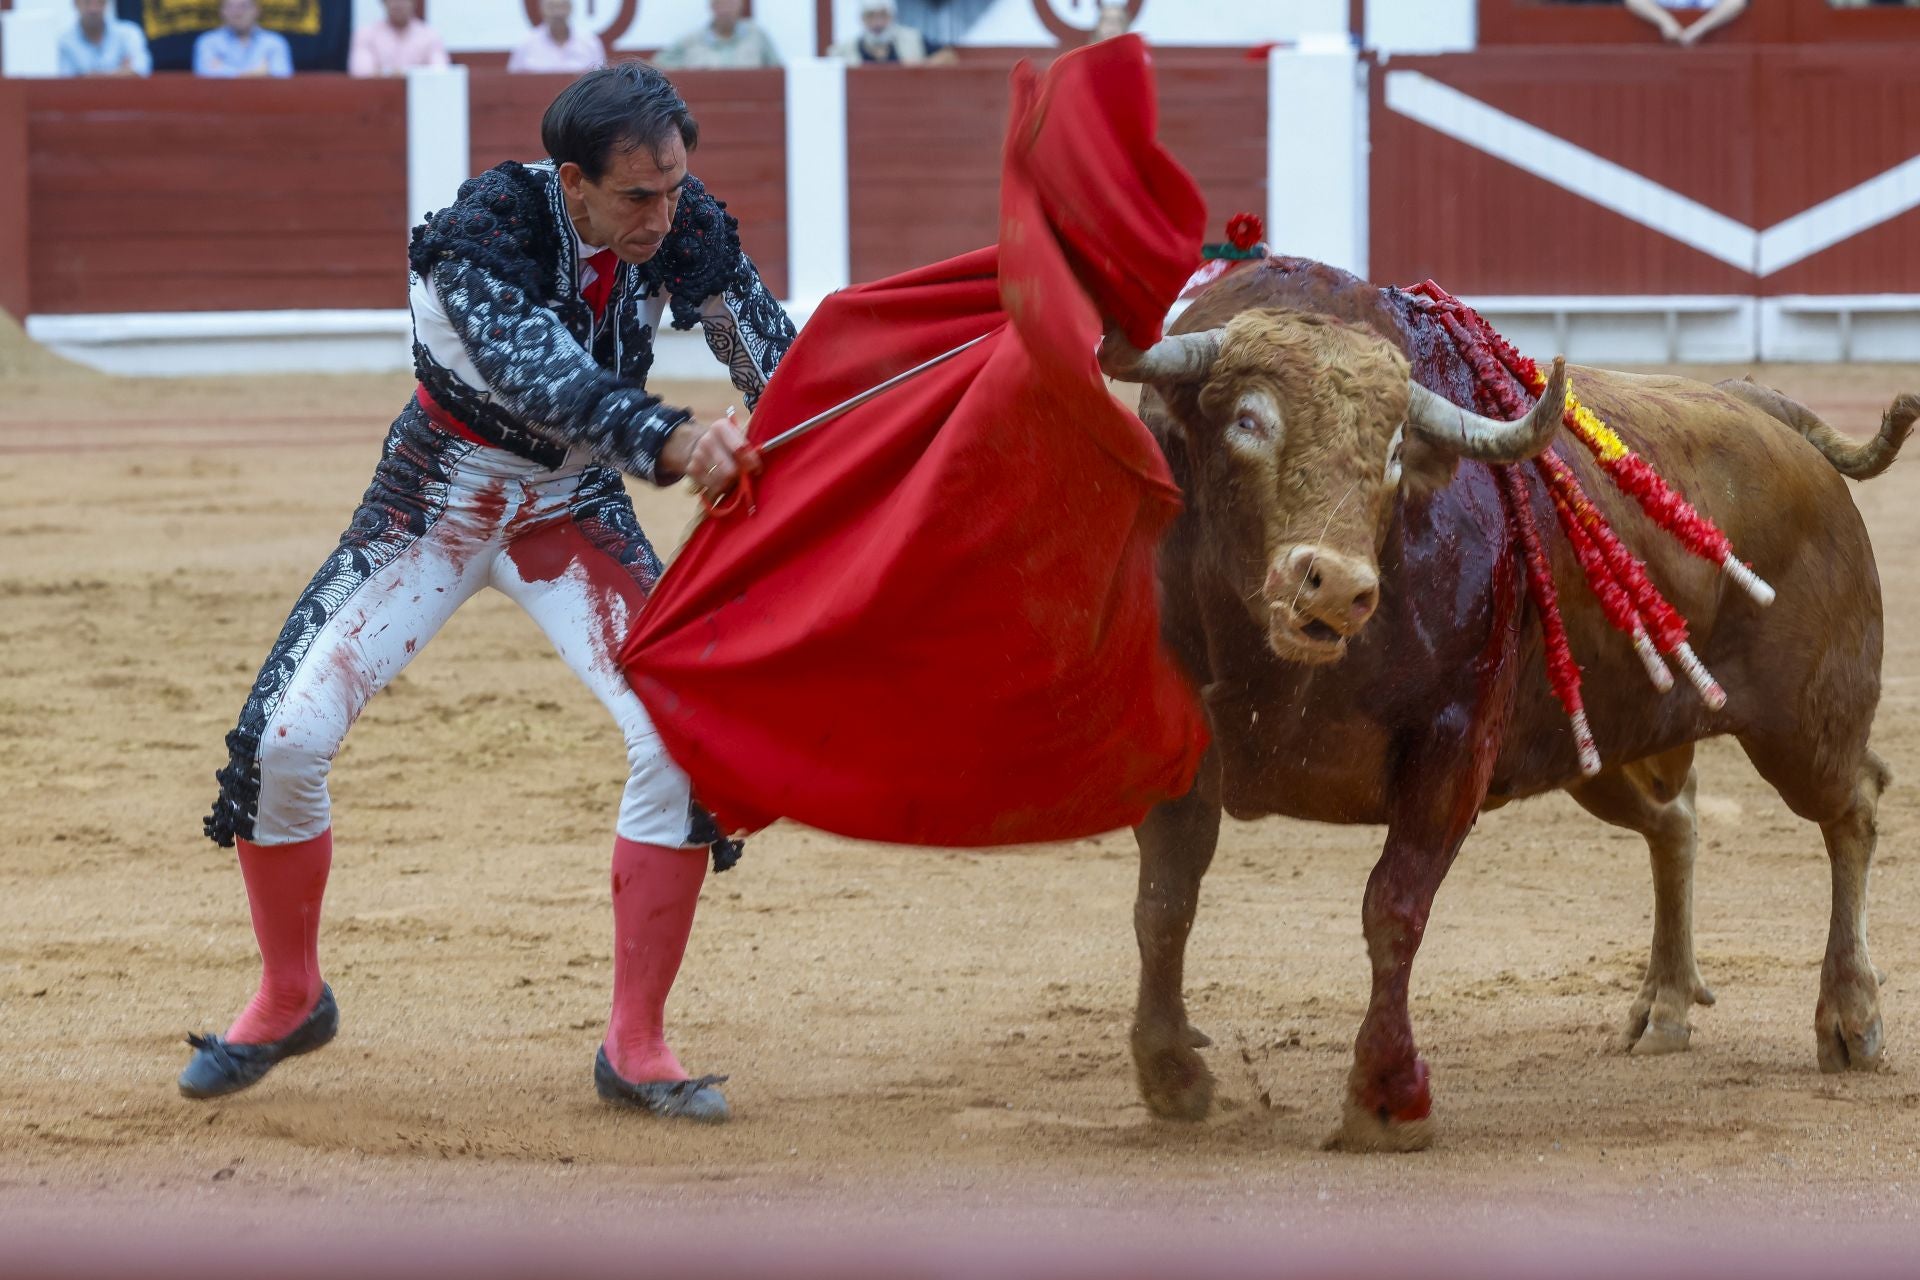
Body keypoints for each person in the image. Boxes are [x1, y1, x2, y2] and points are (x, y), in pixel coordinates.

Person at [181, 62, 796, 1124]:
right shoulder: (481, 239)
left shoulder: (679, 222)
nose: (663, 214)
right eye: (637, 197)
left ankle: (635, 1041)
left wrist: (785, 423)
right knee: (283, 739)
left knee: (682, 734)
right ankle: (290, 994)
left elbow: (770, 357)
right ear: (573, 183)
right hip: (435, 499)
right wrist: (673, 437)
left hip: (576, 508)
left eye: (675, 188)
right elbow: (542, 376)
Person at [652, 0, 782, 69]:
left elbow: (778, 72)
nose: (725, 9)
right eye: (720, 3)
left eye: (730, 3)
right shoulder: (691, 41)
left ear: (740, 5)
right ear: (711, 6)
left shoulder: (757, 36)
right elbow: (657, 65)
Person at [348, 0, 449, 77]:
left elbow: (440, 72)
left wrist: (395, 73)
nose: (398, 3)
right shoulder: (366, 34)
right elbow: (361, 73)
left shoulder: (430, 36)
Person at [192, 0, 293, 77]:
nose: (237, 14)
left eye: (243, 7)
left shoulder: (275, 42)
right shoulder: (207, 42)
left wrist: (224, 70)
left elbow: (282, 78)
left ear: (256, 10)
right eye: (231, 7)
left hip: (265, 101)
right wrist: (258, 74)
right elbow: (205, 76)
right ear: (222, 12)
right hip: (219, 101)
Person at [57, 0, 151, 77]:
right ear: (75, 3)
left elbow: (141, 71)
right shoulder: (66, 41)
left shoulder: (129, 33)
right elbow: (68, 84)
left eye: (99, 2)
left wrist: (88, 77)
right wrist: (121, 73)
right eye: (87, 2)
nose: (93, 9)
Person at [508, 0, 607, 74]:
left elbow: (601, 79)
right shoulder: (526, 43)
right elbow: (514, 81)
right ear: (542, 10)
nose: (557, 13)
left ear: (570, 9)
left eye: (562, 7)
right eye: (551, 7)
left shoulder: (590, 42)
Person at [829, 0, 929, 64]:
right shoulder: (844, 50)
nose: (878, 23)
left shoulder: (912, 40)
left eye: (883, 15)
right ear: (862, 19)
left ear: (892, 17)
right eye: (871, 16)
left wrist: (921, 66)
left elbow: (944, 53)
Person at [1624, 0, 1747, 43]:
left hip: (1710, 56)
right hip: (1661, 55)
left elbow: (1736, 3)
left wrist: (1698, 30)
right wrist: (1666, 22)